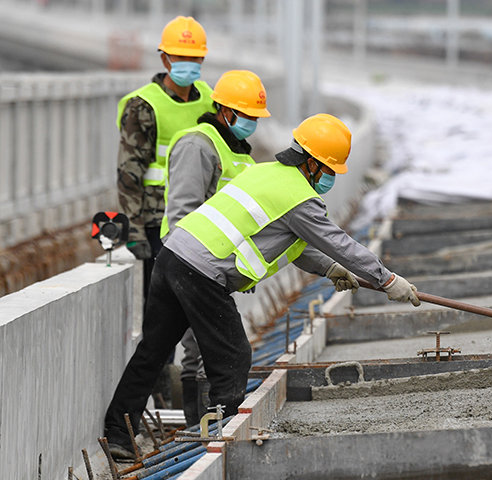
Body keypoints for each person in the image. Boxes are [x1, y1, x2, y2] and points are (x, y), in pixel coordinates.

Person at [104, 113, 420, 459]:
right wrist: (387, 279)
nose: (330, 177)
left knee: (152, 351)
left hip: (173, 257)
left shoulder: (266, 172)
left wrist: (330, 269)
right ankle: (217, 445)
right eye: (329, 169)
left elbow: (298, 244)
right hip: (200, 272)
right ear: (311, 163)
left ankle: (118, 435)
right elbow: (338, 242)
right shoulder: (300, 198)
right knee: (233, 358)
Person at [159, 69, 270, 427]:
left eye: (255, 117)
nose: (251, 123)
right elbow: (182, 213)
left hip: (213, 268)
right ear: (224, 110)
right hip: (191, 265)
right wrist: (191, 270)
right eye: (246, 115)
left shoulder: (243, 159)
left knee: (203, 349)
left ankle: (202, 429)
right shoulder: (199, 146)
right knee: (205, 350)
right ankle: (201, 430)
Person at [116, 15, 214, 411]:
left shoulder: (210, 100)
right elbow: (129, 172)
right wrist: (134, 230)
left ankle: (189, 387)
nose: (188, 65)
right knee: (160, 313)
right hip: (158, 223)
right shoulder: (143, 106)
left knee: (197, 309)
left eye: (195, 58)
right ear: (165, 59)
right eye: (180, 57)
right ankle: (159, 390)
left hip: (201, 222)